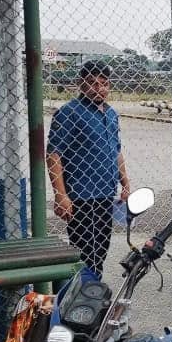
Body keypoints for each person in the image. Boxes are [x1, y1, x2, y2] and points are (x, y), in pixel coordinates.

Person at [47, 61, 130, 276]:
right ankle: (84, 291)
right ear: (81, 84)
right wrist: (60, 195)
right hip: (81, 197)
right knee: (85, 254)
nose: (98, 88)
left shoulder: (111, 114)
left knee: (100, 251)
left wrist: (125, 183)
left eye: (104, 83)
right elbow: (53, 155)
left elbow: (116, 151)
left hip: (106, 194)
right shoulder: (69, 113)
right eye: (92, 83)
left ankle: (92, 290)